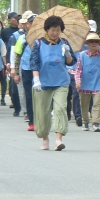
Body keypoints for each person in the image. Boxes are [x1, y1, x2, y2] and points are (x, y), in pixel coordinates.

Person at [28, 15, 77, 151]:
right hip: (43, 83)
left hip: (61, 81)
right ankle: (45, 138)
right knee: (42, 112)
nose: (55, 33)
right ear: (47, 30)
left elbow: (71, 62)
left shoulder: (64, 43)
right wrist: (36, 79)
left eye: (58, 30)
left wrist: (67, 53)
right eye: (52, 30)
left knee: (60, 108)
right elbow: (34, 63)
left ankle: (58, 139)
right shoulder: (39, 43)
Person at [73, 32, 100, 132]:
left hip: (98, 83)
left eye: (96, 41)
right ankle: (85, 121)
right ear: (87, 44)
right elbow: (78, 69)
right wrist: (78, 81)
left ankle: (96, 123)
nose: (94, 43)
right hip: (85, 83)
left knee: (96, 104)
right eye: (91, 41)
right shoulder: (82, 55)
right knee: (84, 104)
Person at [10, 12, 37, 131]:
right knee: (29, 96)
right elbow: (17, 56)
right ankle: (32, 121)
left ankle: (41, 119)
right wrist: (15, 72)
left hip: (42, 71)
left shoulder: (45, 38)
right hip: (26, 69)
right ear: (27, 24)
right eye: (31, 22)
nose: (33, 25)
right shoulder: (22, 38)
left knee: (41, 97)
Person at [3, 12, 22, 116]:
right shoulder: (8, 33)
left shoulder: (26, 34)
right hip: (12, 60)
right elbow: (5, 48)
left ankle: (25, 109)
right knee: (13, 88)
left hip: (24, 63)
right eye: (15, 18)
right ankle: (16, 107)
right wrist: (7, 62)